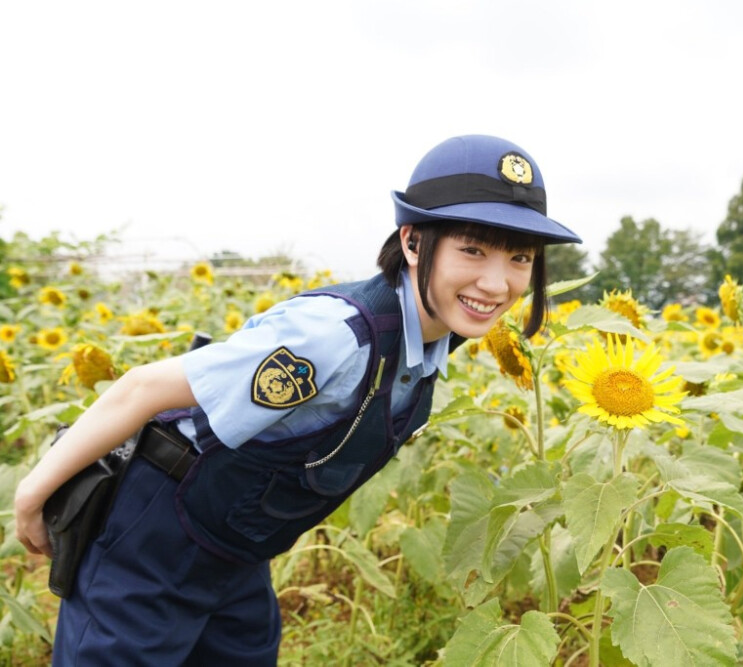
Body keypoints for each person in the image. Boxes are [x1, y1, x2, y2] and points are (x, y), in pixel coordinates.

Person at [14, 134, 582, 665]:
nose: (497, 283)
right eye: (474, 251)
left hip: (233, 551)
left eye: (520, 259)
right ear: (412, 242)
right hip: (154, 539)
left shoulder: (430, 342)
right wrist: (32, 495)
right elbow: (142, 387)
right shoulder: (333, 338)